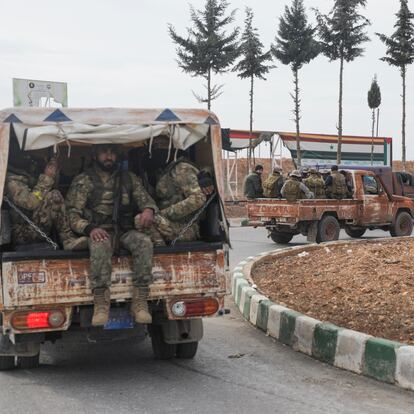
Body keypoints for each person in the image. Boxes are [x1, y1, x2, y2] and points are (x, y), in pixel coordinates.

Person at [66, 144, 158, 326]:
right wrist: (90, 229)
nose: (109, 156)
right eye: (104, 152)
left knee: (144, 242)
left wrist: (148, 210)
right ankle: (101, 302)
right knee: (100, 244)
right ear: (94, 155)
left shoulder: (128, 178)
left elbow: (146, 200)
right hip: (99, 231)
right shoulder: (84, 180)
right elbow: (71, 214)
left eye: (112, 152)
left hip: (123, 230)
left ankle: (139, 302)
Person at [5, 154, 87, 251]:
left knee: (53, 195)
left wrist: (54, 174)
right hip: (21, 233)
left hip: (34, 226)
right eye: (25, 154)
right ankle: (67, 239)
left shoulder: (27, 173)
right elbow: (30, 202)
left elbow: (46, 194)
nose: (29, 158)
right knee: (53, 195)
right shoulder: (11, 181)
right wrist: (47, 177)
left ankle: (68, 239)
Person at [136, 152, 208, 244]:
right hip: (170, 224)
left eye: (161, 144)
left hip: (187, 228)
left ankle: (160, 254)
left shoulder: (182, 168)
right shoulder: (163, 171)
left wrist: (164, 214)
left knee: (141, 219)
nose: (156, 149)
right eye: (155, 145)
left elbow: (198, 198)